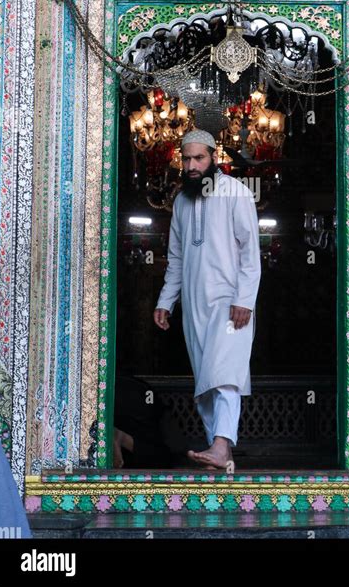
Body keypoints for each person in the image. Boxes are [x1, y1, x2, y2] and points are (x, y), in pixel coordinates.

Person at [153, 128, 261, 470]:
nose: (191, 165)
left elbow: (250, 254)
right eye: (186, 159)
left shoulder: (236, 193)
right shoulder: (182, 201)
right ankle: (221, 453)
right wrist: (166, 301)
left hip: (231, 303)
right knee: (205, 381)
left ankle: (220, 444)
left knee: (225, 373)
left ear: (215, 158)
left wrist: (245, 299)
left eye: (199, 158)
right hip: (195, 306)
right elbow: (177, 258)